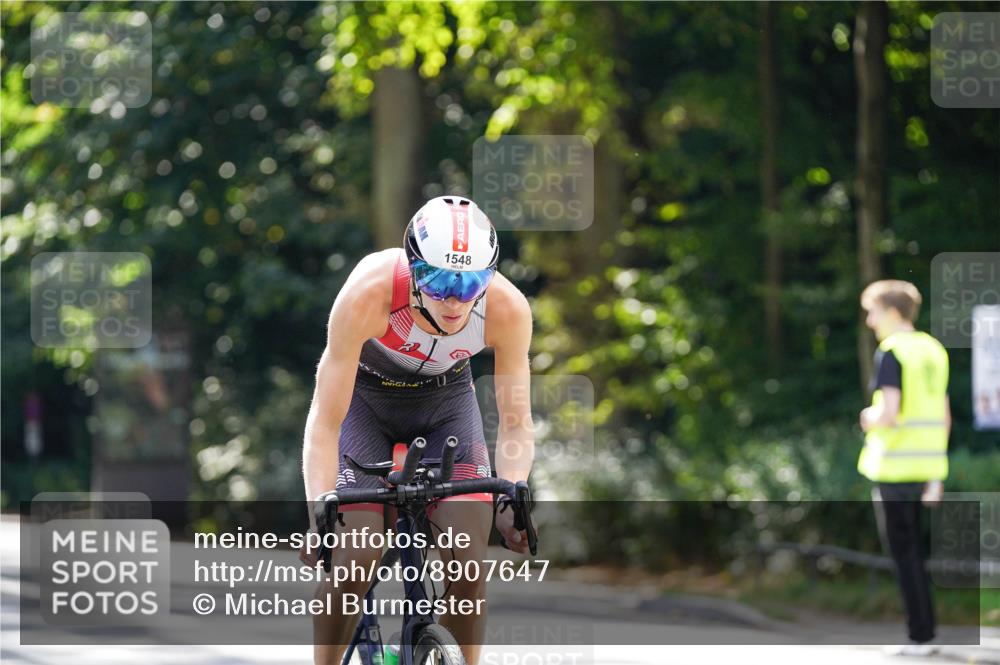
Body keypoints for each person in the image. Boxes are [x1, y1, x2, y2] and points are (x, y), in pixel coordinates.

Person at [300, 196, 535, 665]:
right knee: (354, 560)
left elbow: (515, 422)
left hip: (446, 407)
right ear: (412, 269)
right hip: (365, 405)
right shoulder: (370, 293)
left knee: (469, 565)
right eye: (439, 280)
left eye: (470, 283)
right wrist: (318, 512)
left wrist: (512, 500)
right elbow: (325, 421)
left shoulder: (507, 308)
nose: (455, 299)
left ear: (489, 276)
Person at [858, 279, 950, 657]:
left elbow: (889, 413)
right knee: (917, 554)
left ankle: (920, 637)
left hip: (894, 470)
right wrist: (937, 474)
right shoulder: (933, 350)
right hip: (926, 467)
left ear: (893, 312)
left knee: (904, 555)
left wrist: (868, 417)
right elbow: (944, 417)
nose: (870, 321)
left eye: (873, 312)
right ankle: (925, 633)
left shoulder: (892, 351)